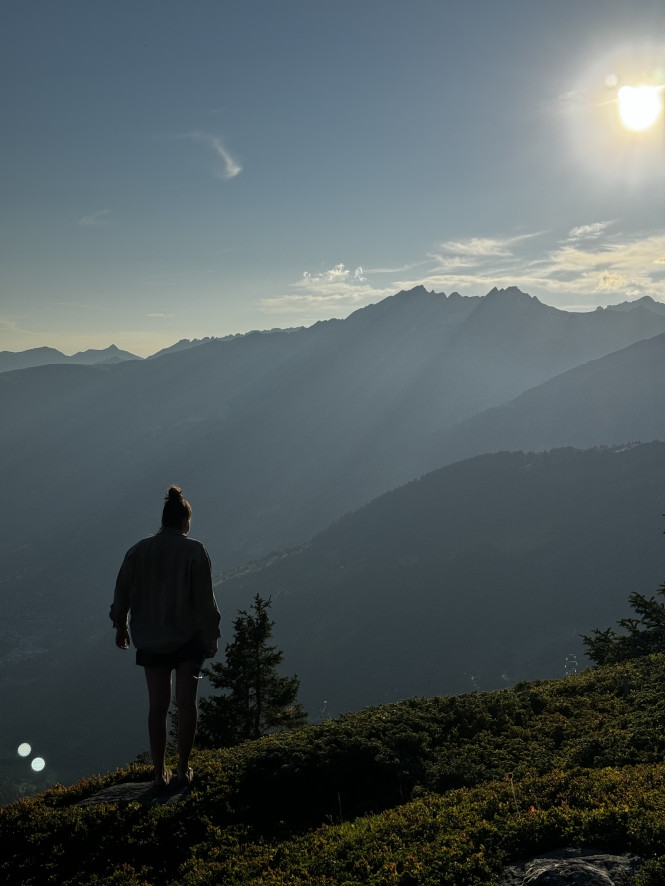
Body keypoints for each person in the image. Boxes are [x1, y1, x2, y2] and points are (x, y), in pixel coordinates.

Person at [110, 486, 221, 789]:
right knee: (186, 703)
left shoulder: (137, 551)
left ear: (163, 520)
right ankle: (183, 768)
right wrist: (211, 635)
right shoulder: (194, 551)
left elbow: (122, 594)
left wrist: (121, 625)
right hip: (188, 639)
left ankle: (159, 772)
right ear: (185, 521)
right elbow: (205, 600)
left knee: (157, 707)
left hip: (151, 638)